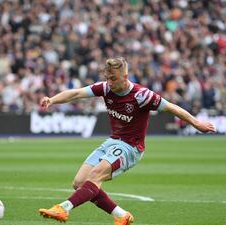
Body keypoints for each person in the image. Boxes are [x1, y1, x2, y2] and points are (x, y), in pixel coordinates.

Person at [38, 57, 216, 225]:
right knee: (78, 183)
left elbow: (171, 107)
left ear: (125, 77)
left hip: (131, 147)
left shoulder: (142, 95)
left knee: (95, 176)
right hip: (112, 142)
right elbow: (76, 93)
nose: (110, 82)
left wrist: (196, 123)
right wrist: (52, 100)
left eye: (113, 79)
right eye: (107, 78)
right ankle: (122, 216)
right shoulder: (106, 88)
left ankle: (63, 208)